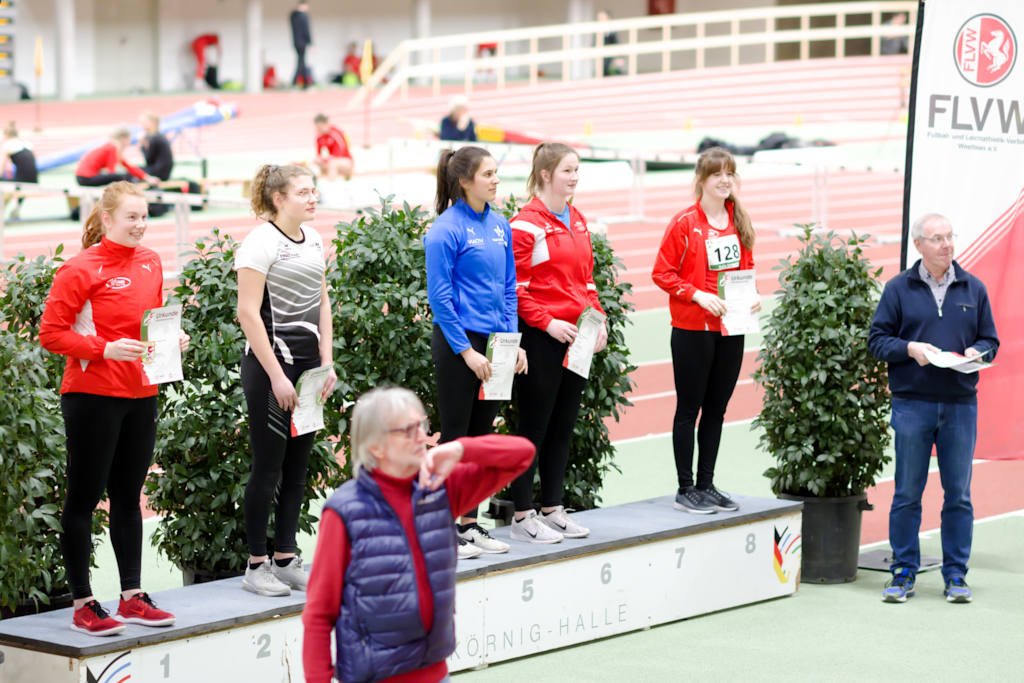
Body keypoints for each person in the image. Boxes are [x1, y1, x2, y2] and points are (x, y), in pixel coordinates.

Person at [302, 386, 534, 683]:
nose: (421, 436)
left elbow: (522, 455)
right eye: (407, 430)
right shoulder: (344, 512)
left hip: (436, 675)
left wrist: (459, 449)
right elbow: (319, 613)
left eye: (421, 426)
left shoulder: (440, 488)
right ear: (376, 447)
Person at [38, 181, 189, 636]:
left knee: (129, 498)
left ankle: (131, 596)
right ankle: (84, 603)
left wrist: (172, 340)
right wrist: (104, 349)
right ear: (107, 219)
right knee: (84, 499)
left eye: (145, 216)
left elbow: (153, 320)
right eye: (131, 217)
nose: (141, 225)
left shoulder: (151, 261)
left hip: (142, 393)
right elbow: (51, 333)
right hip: (92, 395)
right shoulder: (80, 269)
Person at [868, 213, 999, 604]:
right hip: (912, 404)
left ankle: (956, 575)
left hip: (960, 405)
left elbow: (991, 338)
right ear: (918, 245)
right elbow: (877, 341)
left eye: (949, 237)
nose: (946, 244)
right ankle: (903, 572)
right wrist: (909, 348)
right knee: (907, 492)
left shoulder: (973, 288)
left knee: (958, 494)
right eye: (937, 238)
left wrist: (979, 351)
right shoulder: (897, 289)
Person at [235, 164, 337, 597]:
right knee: (269, 466)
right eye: (303, 192)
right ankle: (256, 565)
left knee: (298, 470)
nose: (312, 198)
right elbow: (246, 312)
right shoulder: (260, 242)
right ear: (278, 199)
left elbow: (323, 303)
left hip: (308, 370)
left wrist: (326, 363)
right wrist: (277, 376)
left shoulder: (313, 239)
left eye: (314, 191)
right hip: (271, 370)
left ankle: (285, 556)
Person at [425, 146, 527, 558]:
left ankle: (469, 522)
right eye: (488, 173)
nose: (496, 179)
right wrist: (466, 351)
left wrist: (510, 343)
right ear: (465, 181)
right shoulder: (445, 229)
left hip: (494, 344)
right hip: (458, 344)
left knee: (482, 438)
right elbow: (440, 297)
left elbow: (507, 288)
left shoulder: (500, 225)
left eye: (496, 172)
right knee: (456, 437)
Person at [651, 146, 759, 516]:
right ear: (702, 180)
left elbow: (745, 270)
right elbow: (662, 273)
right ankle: (685, 488)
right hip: (693, 329)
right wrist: (696, 295)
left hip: (731, 329)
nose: (725, 180)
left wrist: (751, 297)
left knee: (717, 410)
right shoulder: (685, 223)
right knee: (689, 408)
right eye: (717, 174)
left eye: (730, 173)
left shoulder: (738, 221)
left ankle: (706, 484)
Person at [507, 142, 606, 544]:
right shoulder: (525, 224)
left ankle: (552, 507)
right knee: (533, 426)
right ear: (545, 174)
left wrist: (599, 321)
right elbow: (517, 290)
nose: (575, 177)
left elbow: (586, 282)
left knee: (563, 425)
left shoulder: (578, 220)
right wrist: (547, 324)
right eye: (568, 170)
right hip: (543, 340)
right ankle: (521, 514)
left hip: (577, 340)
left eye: (578, 169)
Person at [75, 128, 158, 188]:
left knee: (123, 176)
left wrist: (147, 177)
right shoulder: (113, 147)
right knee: (121, 177)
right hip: (86, 177)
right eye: (129, 138)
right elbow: (111, 171)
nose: (130, 141)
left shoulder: (111, 146)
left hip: (82, 177)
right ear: (123, 139)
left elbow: (129, 166)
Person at [1, 121, 38, 220]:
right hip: (34, 179)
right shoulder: (27, 144)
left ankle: (1, 210)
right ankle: (16, 209)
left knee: (5, 186)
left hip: (21, 181)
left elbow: (1, 169)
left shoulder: (7, 145)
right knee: (20, 181)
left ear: (6, 135)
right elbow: (33, 162)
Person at [312, 113, 354, 181]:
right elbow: (318, 154)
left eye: (320, 127)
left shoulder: (336, 133)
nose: (319, 130)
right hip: (332, 160)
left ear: (326, 124)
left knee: (332, 163)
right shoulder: (319, 136)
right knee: (317, 162)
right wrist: (318, 160)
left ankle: (332, 186)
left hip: (346, 161)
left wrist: (324, 159)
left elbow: (340, 153)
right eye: (317, 128)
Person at [139, 113, 173, 182]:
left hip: (159, 173)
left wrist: (142, 146)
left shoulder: (154, 138)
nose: (142, 126)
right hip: (164, 173)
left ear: (153, 123)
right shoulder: (159, 136)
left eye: (144, 123)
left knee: (134, 171)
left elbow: (148, 160)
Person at [289, 2, 313, 88]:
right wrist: (310, 43)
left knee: (301, 61)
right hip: (302, 42)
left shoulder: (293, 16)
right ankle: (296, 82)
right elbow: (306, 30)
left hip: (296, 42)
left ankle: (304, 83)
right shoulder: (304, 16)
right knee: (301, 62)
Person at [596, 10, 624, 76]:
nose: (600, 20)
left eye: (602, 18)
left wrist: (620, 57)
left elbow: (617, 43)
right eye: (599, 18)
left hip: (610, 57)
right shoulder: (596, 31)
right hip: (600, 58)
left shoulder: (612, 31)